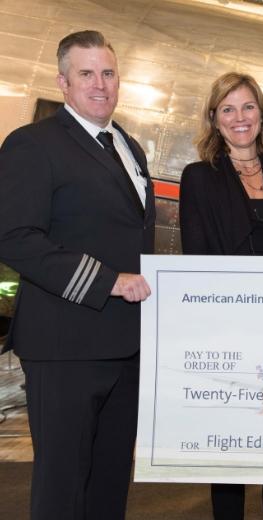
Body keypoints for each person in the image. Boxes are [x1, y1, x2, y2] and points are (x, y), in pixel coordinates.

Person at [0, 30, 154, 520]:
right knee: (63, 487)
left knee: (109, 482)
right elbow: (15, 237)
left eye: (108, 73)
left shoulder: (127, 144)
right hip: (65, 346)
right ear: (63, 82)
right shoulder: (32, 144)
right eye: (86, 74)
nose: (100, 84)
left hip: (124, 345)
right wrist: (108, 279)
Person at [179, 72, 263, 520]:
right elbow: (198, 257)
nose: (240, 117)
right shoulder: (199, 178)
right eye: (228, 109)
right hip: (229, 333)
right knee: (230, 451)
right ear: (215, 120)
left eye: (248, 107)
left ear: (262, 115)